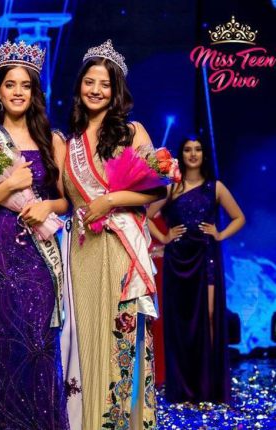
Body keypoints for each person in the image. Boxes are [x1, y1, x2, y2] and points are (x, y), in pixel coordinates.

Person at [0, 41, 69, 429]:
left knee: (37, 347)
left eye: (26, 85)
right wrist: (8, 186)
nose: (18, 92)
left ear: (35, 91)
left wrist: (47, 205)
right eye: (10, 84)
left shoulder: (52, 141)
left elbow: (67, 202)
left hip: (38, 257)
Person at [61, 40, 162, 429]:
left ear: (116, 89)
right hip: (81, 255)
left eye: (105, 84)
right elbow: (64, 198)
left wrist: (111, 200)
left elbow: (156, 189)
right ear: (79, 85)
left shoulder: (132, 132)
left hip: (121, 252)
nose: (96, 90)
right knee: (86, 345)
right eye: (89, 82)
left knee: (120, 341)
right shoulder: (68, 142)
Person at [147, 136, 244, 404]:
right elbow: (146, 216)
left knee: (210, 316)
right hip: (178, 261)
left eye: (198, 149)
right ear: (181, 155)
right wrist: (164, 237)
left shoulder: (215, 187)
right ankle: (184, 386)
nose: (193, 154)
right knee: (181, 321)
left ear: (204, 155)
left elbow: (239, 217)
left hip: (206, 256)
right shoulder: (172, 188)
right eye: (188, 150)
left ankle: (208, 385)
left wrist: (220, 234)